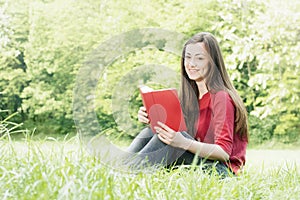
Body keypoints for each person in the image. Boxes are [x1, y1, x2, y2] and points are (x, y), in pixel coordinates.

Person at [125, 32, 249, 176]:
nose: (191, 64)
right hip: (197, 161)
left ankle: (127, 173)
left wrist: (182, 142)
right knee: (152, 131)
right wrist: (151, 118)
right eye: (188, 57)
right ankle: (120, 168)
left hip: (221, 171)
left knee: (170, 138)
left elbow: (224, 152)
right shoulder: (190, 97)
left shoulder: (221, 97)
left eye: (200, 58)